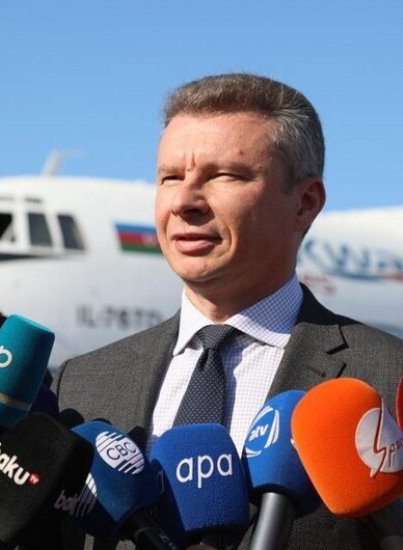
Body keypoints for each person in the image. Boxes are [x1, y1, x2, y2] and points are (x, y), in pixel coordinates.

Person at [53, 73, 403, 549]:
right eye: (170, 177)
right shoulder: (82, 384)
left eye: (224, 176)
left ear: (304, 204)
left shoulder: (388, 380)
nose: (184, 202)